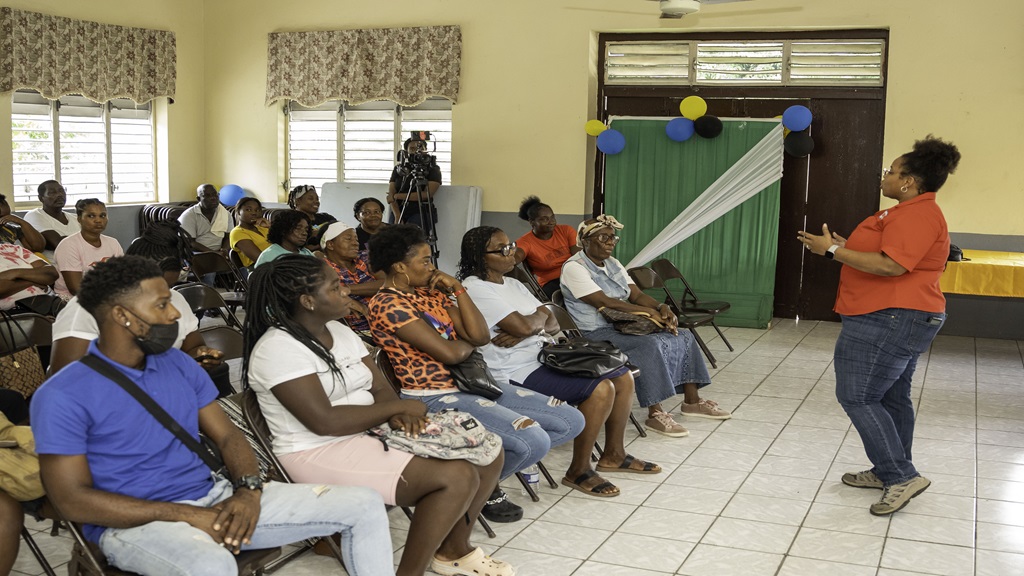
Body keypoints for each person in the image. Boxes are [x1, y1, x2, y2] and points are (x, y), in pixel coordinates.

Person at [31, 256, 394, 575]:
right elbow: (71, 500)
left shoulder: (175, 363)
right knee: (210, 565)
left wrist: (249, 491)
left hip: (216, 498)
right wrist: (188, 516)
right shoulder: (63, 394)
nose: (175, 313)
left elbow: (228, 437)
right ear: (122, 316)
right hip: (134, 525)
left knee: (363, 503)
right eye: (161, 305)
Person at [244, 255, 514, 576]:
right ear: (307, 301)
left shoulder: (340, 333)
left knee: (489, 449)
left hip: (367, 431)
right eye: (335, 287)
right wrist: (396, 409)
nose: (347, 292)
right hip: (314, 450)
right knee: (455, 477)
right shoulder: (279, 349)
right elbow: (324, 421)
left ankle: (453, 550)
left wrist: (395, 414)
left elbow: (381, 389)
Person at [367, 224, 585, 523]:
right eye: (425, 260)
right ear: (399, 267)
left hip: (473, 382)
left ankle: (478, 482)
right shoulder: (387, 303)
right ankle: (474, 490)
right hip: (433, 395)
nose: (432, 268)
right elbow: (449, 353)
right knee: (533, 440)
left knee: (570, 420)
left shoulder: (431, 294)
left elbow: (480, 335)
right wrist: (462, 344)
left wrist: (457, 289)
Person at [796, 135, 960, 516]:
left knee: (857, 396)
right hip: (891, 315)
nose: (884, 176)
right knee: (890, 397)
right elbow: (885, 253)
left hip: (890, 317)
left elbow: (893, 266)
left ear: (909, 182)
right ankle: (891, 470)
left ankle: (900, 475)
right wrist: (843, 246)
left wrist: (834, 251)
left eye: (892, 171)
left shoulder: (917, 214)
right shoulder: (904, 211)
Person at [460, 226, 660, 497]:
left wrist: (532, 326)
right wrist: (531, 325)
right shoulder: (475, 288)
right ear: (481, 257)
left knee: (621, 375)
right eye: (503, 249)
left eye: (511, 246)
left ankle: (614, 454)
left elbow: (552, 319)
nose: (512, 254)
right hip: (513, 369)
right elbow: (523, 324)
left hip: (544, 355)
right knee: (601, 389)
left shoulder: (515, 284)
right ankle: (579, 471)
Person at [561, 215, 731, 438]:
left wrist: (661, 307)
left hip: (625, 324)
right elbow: (604, 301)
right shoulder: (575, 267)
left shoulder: (614, 264)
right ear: (585, 240)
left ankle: (692, 401)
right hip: (595, 332)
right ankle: (655, 413)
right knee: (647, 345)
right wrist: (647, 313)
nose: (611, 242)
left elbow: (637, 294)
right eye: (604, 237)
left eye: (613, 238)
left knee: (684, 335)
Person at [49, 221, 233, 395]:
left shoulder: (173, 299)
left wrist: (201, 355)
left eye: (169, 286)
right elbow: (64, 383)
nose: (167, 296)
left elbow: (192, 346)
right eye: (157, 286)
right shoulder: (85, 309)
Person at [52, 199, 123, 299]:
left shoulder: (113, 243)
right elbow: (76, 289)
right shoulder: (68, 245)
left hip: (108, 297)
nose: (98, 220)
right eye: (91, 216)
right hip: (73, 301)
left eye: (102, 216)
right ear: (79, 219)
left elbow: (122, 277)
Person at [321, 222, 383, 332]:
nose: (355, 243)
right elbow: (324, 295)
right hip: (355, 331)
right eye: (348, 239)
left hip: (386, 320)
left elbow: (387, 283)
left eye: (356, 239)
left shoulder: (365, 257)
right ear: (330, 245)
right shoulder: (322, 268)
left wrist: (346, 289)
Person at [514, 196, 580, 299]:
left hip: (574, 275)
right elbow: (514, 257)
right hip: (551, 284)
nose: (551, 221)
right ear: (532, 222)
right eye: (544, 219)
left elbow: (579, 258)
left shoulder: (566, 230)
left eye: (552, 217)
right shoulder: (525, 242)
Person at [387, 139, 442, 236]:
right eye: (412, 148)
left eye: (420, 148)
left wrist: (397, 196)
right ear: (406, 151)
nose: (416, 151)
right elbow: (391, 196)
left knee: (413, 241)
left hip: (420, 211)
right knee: (393, 240)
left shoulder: (433, 169)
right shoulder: (400, 169)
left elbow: (425, 195)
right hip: (397, 209)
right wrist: (397, 215)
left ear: (426, 150)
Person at [22, 180, 80, 265]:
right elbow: (58, 243)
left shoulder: (75, 218)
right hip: (56, 267)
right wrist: (84, 239)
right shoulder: (35, 215)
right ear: (41, 198)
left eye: (61, 191)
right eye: (52, 193)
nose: (59, 195)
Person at [0, 242, 59, 312]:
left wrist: (15, 273)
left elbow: (52, 273)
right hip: (14, 313)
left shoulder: (10, 248)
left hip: (48, 302)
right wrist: (32, 281)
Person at [178, 184, 232, 255]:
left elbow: (228, 237)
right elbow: (189, 242)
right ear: (198, 199)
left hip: (219, 253)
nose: (213, 198)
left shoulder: (225, 213)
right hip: (196, 253)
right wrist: (213, 253)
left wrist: (224, 250)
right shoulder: (189, 215)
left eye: (215, 194)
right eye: (207, 195)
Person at [288, 185, 336, 250]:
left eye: (317, 199)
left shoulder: (326, 217)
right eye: (311, 199)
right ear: (297, 201)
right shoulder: (290, 220)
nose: (316, 202)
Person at [229, 196, 272, 270]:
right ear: (239, 211)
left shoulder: (263, 228)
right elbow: (260, 259)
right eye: (248, 210)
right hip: (259, 269)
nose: (254, 213)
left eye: (257, 210)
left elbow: (284, 245)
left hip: (275, 265)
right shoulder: (237, 232)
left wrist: (270, 226)